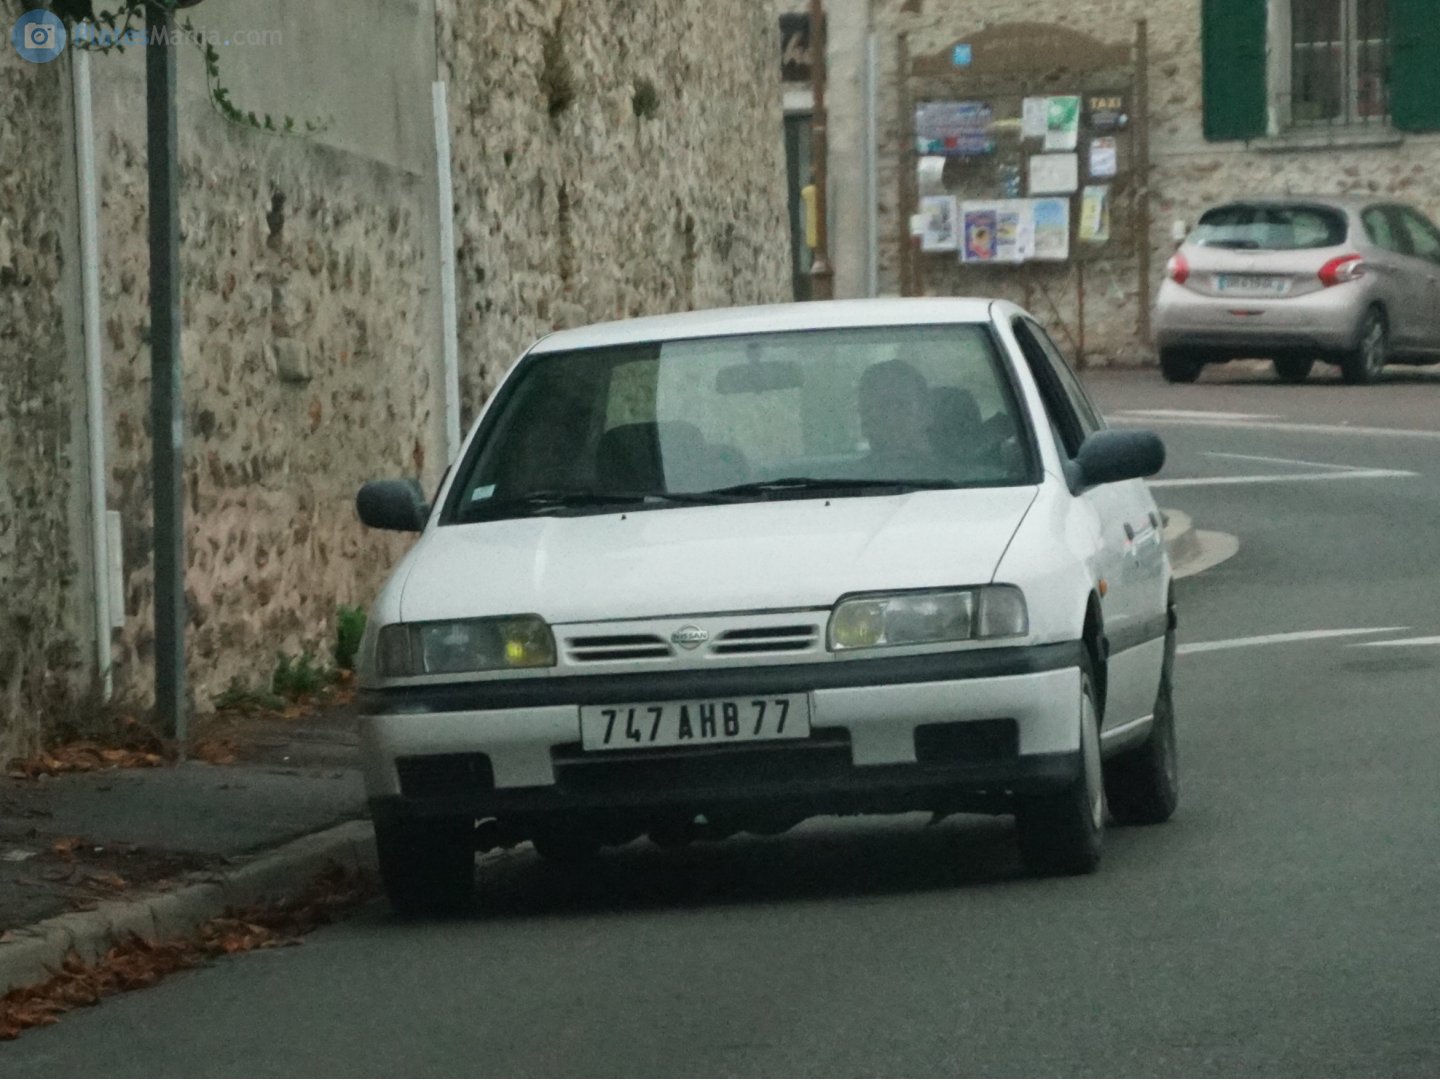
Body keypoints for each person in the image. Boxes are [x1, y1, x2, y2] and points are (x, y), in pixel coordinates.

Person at [857, 359, 938, 476]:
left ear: (926, 413)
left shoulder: (964, 484)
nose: (878, 416)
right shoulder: (841, 483)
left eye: (898, 405)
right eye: (867, 409)